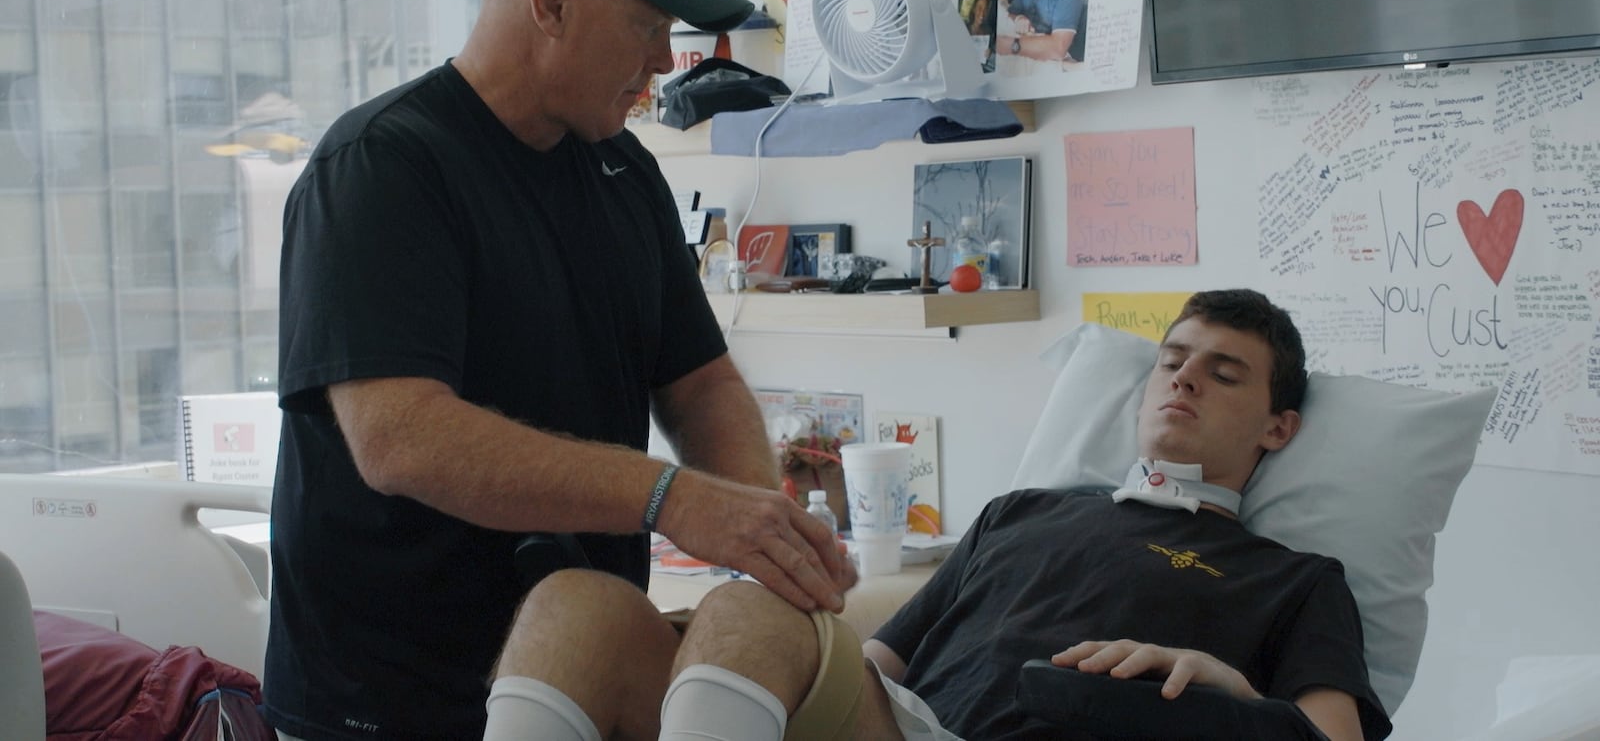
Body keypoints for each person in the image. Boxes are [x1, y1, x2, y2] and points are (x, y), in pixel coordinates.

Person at [261, 0, 854, 741]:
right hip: (389, 700)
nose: (664, 61)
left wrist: (763, 537)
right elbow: (400, 438)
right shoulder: (382, 169)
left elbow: (698, 385)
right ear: (551, 2)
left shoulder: (623, 173)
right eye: (648, 27)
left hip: (571, 684)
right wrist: (672, 499)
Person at [485, 289, 1393, 740]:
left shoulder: (1295, 580)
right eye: (1173, 359)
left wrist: (1222, 683)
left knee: (749, 607)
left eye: (1222, 371)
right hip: (898, 719)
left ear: (1280, 426)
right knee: (578, 605)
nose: (1185, 376)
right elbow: (874, 663)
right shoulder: (1023, 511)